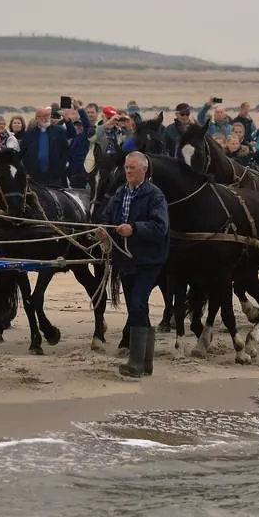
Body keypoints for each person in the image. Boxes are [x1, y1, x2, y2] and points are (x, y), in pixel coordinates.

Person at [96, 152, 170, 378]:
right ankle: (145, 363)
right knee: (136, 308)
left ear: (144, 170)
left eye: (132, 168)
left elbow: (160, 227)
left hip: (149, 260)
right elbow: (108, 217)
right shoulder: (120, 192)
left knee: (138, 304)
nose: (127, 171)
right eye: (126, 167)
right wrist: (103, 230)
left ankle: (136, 364)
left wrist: (134, 229)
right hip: (125, 260)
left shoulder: (155, 195)